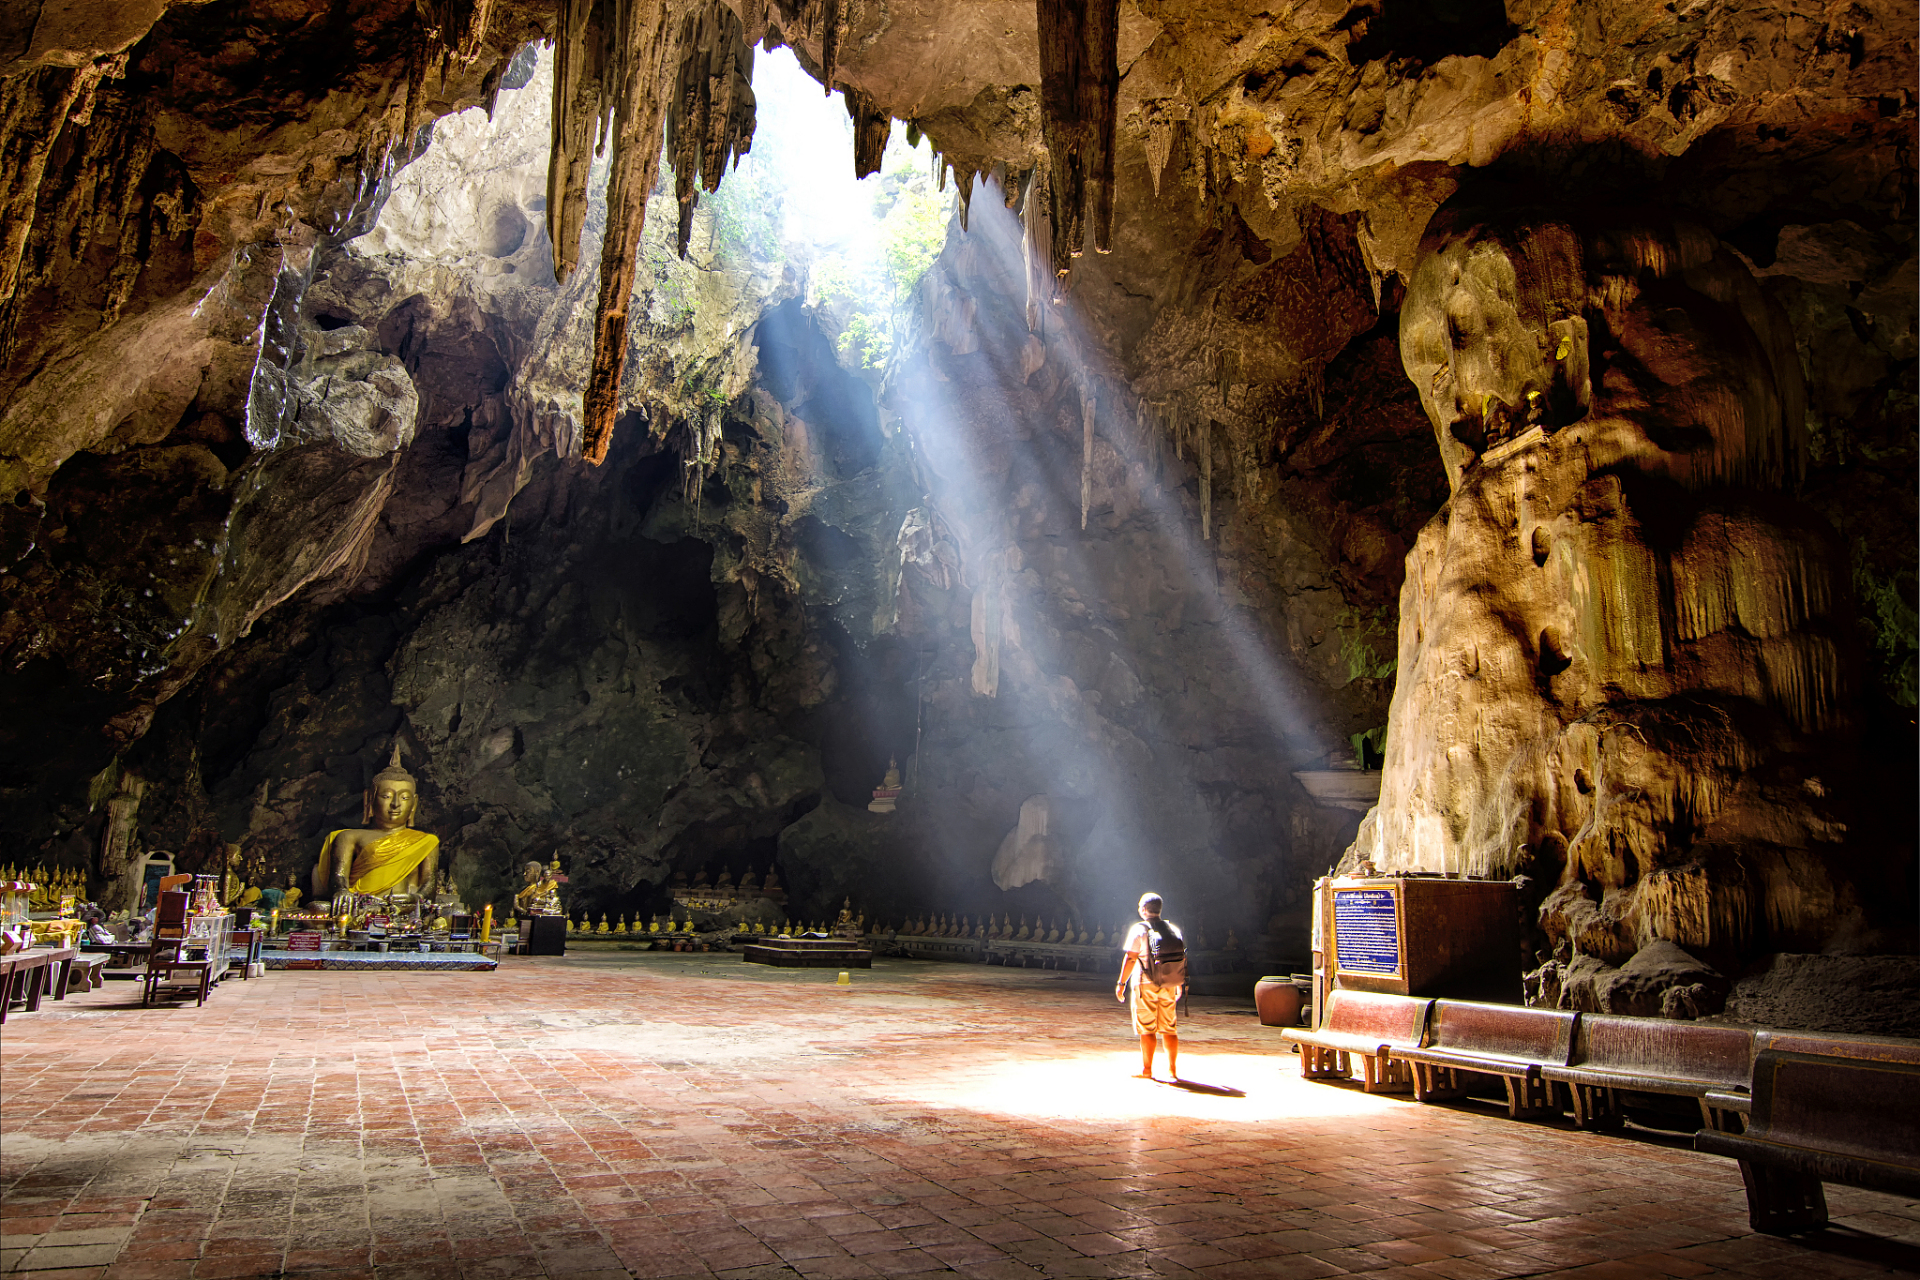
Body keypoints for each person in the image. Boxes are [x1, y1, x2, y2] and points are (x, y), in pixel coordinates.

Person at [1115, 891, 1187, 1080]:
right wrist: (1180, 981)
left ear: (1144, 910)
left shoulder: (1139, 930)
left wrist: (1121, 982)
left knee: (1147, 1029)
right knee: (1170, 1028)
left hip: (1145, 984)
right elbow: (1181, 958)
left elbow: (1130, 958)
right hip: (1169, 983)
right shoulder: (1174, 929)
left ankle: (1147, 1070)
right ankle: (1172, 1070)